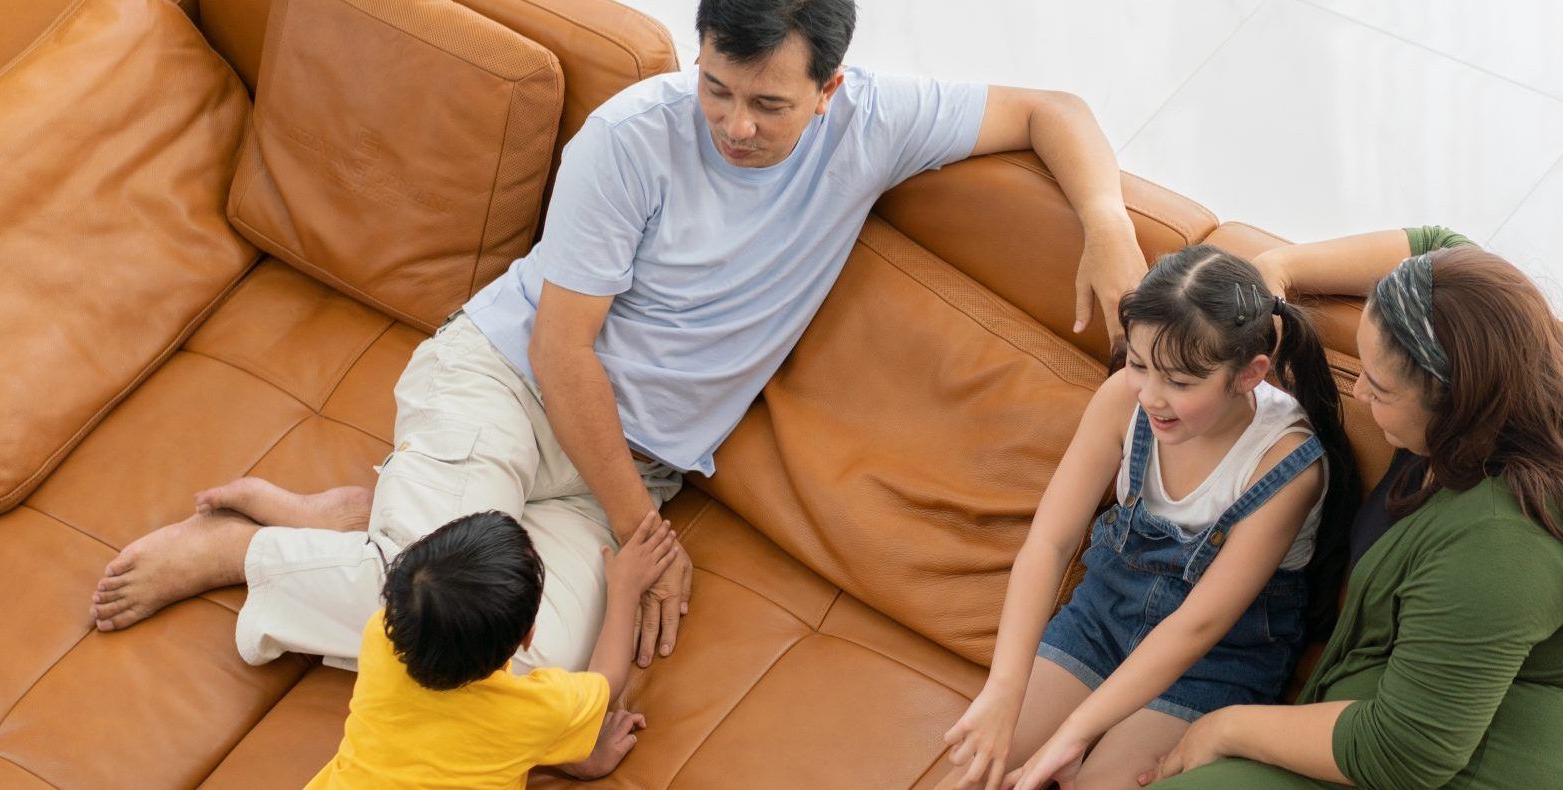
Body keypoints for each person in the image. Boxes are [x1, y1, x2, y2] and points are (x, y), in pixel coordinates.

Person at [85, 0, 1152, 679]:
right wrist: (647, 540)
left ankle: (350, 522)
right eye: (716, 88)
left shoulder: (877, 121)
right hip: (507, 386)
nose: (734, 125)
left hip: (616, 470)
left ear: (830, 93)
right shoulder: (631, 140)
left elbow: (1052, 109)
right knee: (438, 617)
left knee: (511, 665)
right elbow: (559, 354)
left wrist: (1105, 224)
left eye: (769, 105)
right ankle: (244, 553)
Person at [1138, 228, 1563, 790]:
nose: (1359, 392)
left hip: (1435, 767)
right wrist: (1275, 268)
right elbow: (1437, 249)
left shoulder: (1505, 544)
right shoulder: (1501, 362)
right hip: (1375, 730)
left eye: (1381, 389)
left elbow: (1405, 753)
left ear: (1458, 404)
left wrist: (1223, 729)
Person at [939, 246, 1362, 790]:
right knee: (972, 776)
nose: (1152, 396)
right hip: (1101, 618)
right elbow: (1048, 543)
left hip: (1213, 660)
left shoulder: (1285, 466)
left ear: (1249, 374)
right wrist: (1003, 691)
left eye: (1181, 383)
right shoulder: (1123, 400)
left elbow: (1198, 627)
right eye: (1139, 365)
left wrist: (1073, 734)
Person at [306, 509, 682, 787]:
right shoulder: (536, 711)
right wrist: (625, 589)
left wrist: (562, 748)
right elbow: (607, 680)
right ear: (527, 637)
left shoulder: (379, 637)